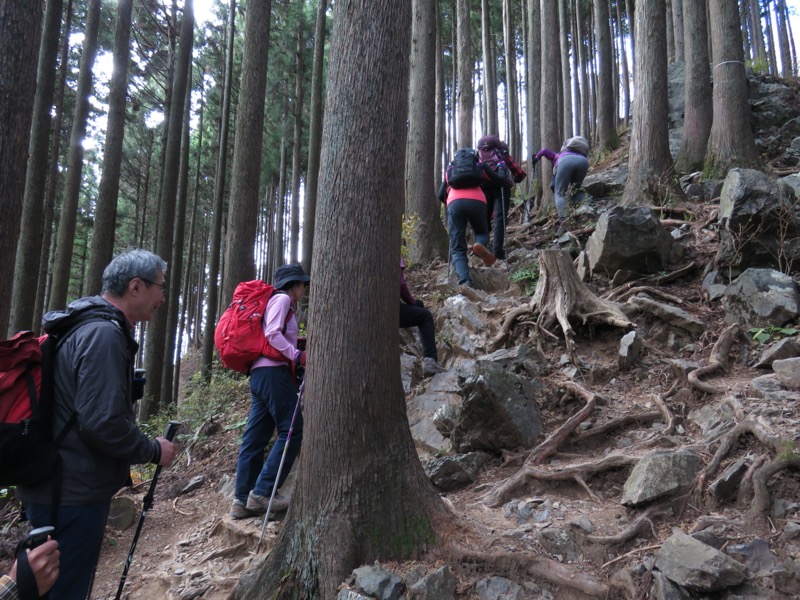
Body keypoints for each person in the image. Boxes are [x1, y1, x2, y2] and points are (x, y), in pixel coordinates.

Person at [16, 249, 178, 600]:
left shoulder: (84, 325)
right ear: (136, 286)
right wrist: (152, 450)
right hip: (70, 494)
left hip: (56, 484)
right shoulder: (104, 335)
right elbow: (102, 423)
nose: (163, 297)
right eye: (160, 288)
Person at [230, 263, 309, 520]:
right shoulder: (283, 299)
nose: (303, 290)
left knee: (256, 436)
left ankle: (241, 500)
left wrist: (296, 344)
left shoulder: (273, 301)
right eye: (302, 285)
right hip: (273, 373)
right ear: (294, 285)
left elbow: (274, 335)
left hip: (259, 374)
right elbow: (273, 333)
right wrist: (297, 355)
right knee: (292, 429)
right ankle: (262, 492)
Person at [438, 153, 509, 288]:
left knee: (457, 247)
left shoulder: (450, 168)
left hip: (455, 202)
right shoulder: (479, 165)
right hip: (478, 200)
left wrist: (451, 205)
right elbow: (499, 181)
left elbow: (441, 194)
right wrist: (501, 167)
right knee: (482, 231)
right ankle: (480, 244)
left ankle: (466, 281)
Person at [399, 258, 446, 376]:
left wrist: (413, 302)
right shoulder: (393, 251)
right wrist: (411, 301)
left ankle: (426, 353)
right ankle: (429, 360)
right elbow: (400, 283)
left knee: (419, 305)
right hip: (389, 309)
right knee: (425, 316)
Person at [478, 135, 516, 261]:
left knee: (485, 217)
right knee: (500, 219)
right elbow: (517, 171)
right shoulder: (501, 153)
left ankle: (482, 245)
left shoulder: (479, 154)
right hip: (501, 187)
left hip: (484, 186)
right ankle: (497, 252)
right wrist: (517, 178)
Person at [534, 135, 590, 221]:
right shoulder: (580, 153)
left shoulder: (559, 155)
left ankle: (564, 219)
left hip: (565, 161)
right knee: (577, 190)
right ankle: (588, 208)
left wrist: (536, 157)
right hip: (583, 161)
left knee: (559, 193)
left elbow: (544, 151)